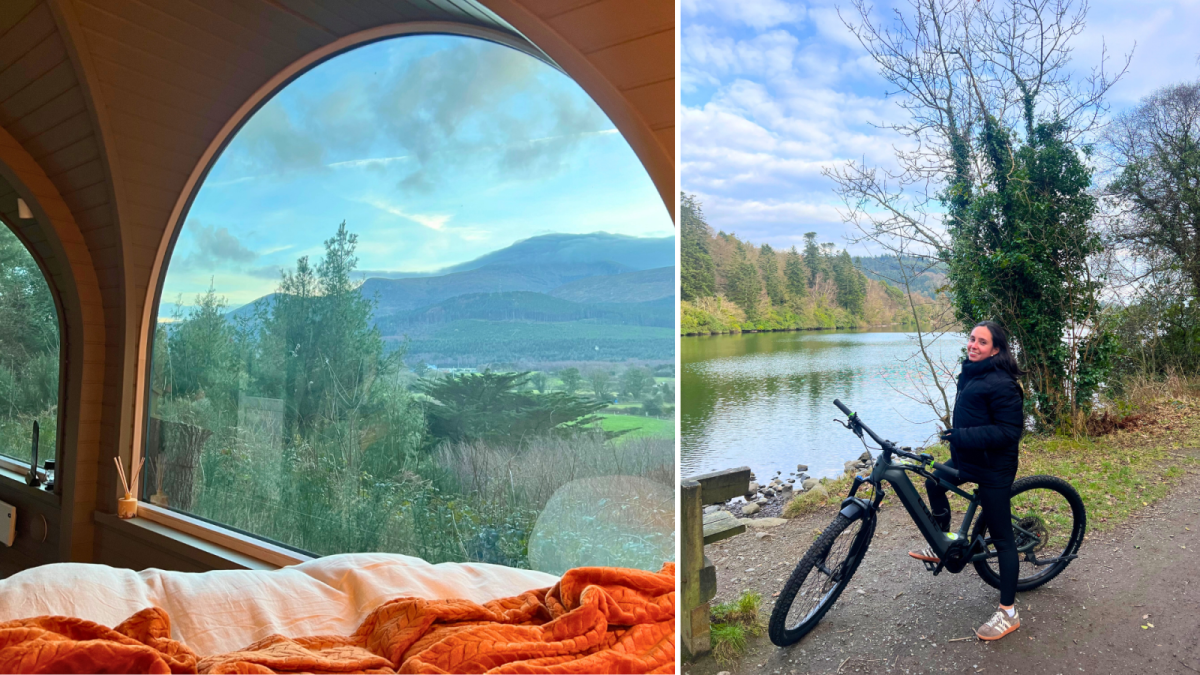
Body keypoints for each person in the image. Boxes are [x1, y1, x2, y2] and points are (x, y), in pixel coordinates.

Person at [907, 320, 1025, 641]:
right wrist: (959, 440)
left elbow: (1008, 432)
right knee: (934, 481)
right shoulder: (972, 371)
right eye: (972, 339)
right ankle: (942, 539)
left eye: (982, 342)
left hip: (994, 468)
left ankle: (1008, 614)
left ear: (996, 349)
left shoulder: (1002, 382)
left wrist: (961, 435)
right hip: (967, 458)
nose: (973, 345)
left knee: (1002, 540)